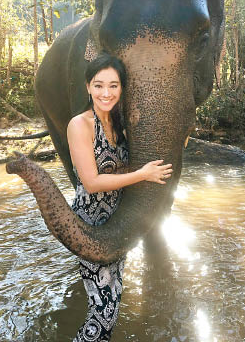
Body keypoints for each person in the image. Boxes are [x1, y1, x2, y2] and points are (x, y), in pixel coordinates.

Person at [67, 52, 172, 341]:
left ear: (122, 88)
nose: (106, 93)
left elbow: (124, 163)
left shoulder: (118, 124)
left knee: (113, 299)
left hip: (118, 222)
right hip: (91, 229)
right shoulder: (80, 125)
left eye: (114, 85)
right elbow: (91, 182)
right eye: (99, 85)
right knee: (104, 312)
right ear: (88, 86)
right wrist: (143, 175)